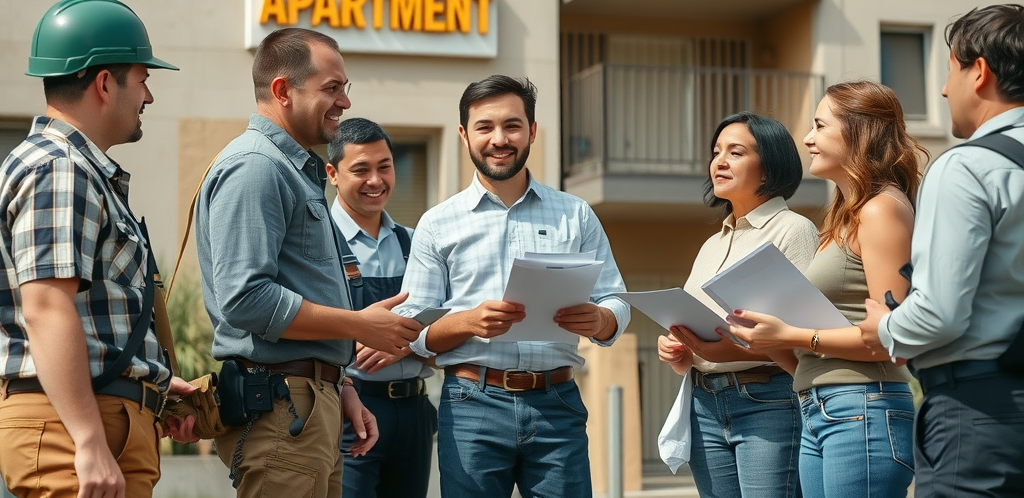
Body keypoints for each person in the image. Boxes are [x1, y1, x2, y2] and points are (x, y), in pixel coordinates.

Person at [194, 28, 423, 498]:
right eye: (331, 88)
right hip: (282, 410)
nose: (344, 102)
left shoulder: (289, 170)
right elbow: (247, 299)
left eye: (345, 88)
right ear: (283, 91)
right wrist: (358, 326)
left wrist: (339, 387)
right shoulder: (257, 167)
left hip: (304, 406)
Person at [395, 75, 630, 498]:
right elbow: (412, 329)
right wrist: (467, 322)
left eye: (512, 125)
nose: (499, 139)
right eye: (484, 127)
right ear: (465, 135)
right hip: (471, 405)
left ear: (533, 132)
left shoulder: (576, 214)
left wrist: (601, 318)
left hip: (557, 402)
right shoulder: (436, 224)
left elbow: (616, 298)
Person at [0, 0, 196, 498]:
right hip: (75, 426)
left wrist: (144, 378)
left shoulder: (71, 169)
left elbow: (84, 310)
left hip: (91, 412)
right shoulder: (60, 169)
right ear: (105, 83)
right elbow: (45, 307)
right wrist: (88, 439)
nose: (148, 97)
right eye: (143, 79)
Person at [728, 80, 928, 498]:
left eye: (820, 126)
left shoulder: (881, 209)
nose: (807, 138)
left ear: (857, 132)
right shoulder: (842, 219)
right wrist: (765, 337)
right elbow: (809, 353)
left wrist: (790, 335)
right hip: (822, 407)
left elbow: (890, 339)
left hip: (864, 407)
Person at [860, 4, 1024, 497]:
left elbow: (941, 314)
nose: (943, 90)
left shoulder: (968, 168)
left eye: (949, 70)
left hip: (980, 412)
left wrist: (884, 328)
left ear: (979, 71)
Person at [657, 112, 817, 498]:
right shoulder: (712, 244)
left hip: (767, 400)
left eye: (736, 152)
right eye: (716, 152)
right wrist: (679, 349)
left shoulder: (794, 230)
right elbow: (697, 329)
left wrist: (718, 347)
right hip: (704, 402)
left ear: (768, 167)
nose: (720, 162)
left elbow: (804, 333)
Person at [324, 117, 437, 498]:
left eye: (384, 167)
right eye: (361, 170)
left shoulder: (416, 242)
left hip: (415, 409)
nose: (376, 180)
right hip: (350, 408)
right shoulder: (316, 244)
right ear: (333, 174)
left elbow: (446, 319)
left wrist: (406, 342)